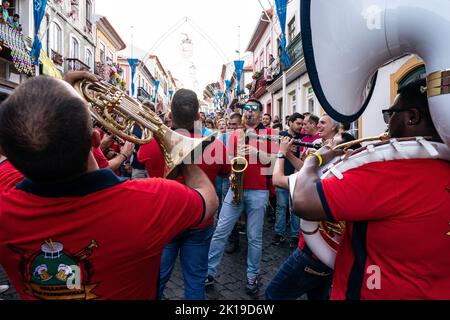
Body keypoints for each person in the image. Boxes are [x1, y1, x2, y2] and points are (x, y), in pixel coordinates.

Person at [0, 73, 219, 300]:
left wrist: (59, 92)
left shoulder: (4, 211)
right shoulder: (149, 200)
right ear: (96, 140)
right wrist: (184, 154)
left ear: (8, 155)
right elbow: (208, 199)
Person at [291, 78, 450, 299]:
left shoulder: (393, 173)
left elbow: (303, 201)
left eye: (391, 114)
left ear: (412, 117)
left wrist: (314, 160)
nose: (388, 123)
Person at [138, 89, 230, 300]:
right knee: (195, 281)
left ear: (169, 115)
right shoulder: (216, 146)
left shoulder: (151, 143)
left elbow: (143, 164)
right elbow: (225, 172)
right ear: (199, 116)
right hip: (201, 219)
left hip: (165, 219)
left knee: (157, 278)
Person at [207, 99, 276, 296]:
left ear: (261, 112)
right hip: (236, 187)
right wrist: (230, 168)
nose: (250, 113)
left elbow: (273, 162)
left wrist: (256, 152)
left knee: (254, 237)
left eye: (254, 109)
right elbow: (228, 159)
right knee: (220, 230)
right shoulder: (236, 133)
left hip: (258, 190)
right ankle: (209, 272)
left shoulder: (269, 134)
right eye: (247, 109)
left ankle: (252, 276)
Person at [272, 113, 304, 249]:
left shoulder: (303, 138)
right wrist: (283, 150)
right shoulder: (281, 135)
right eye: (298, 123)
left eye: (302, 124)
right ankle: (279, 234)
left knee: (295, 209)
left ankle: (295, 236)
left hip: (297, 178)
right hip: (282, 175)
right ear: (290, 122)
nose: (300, 126)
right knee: (281, 207)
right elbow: (272, 154)